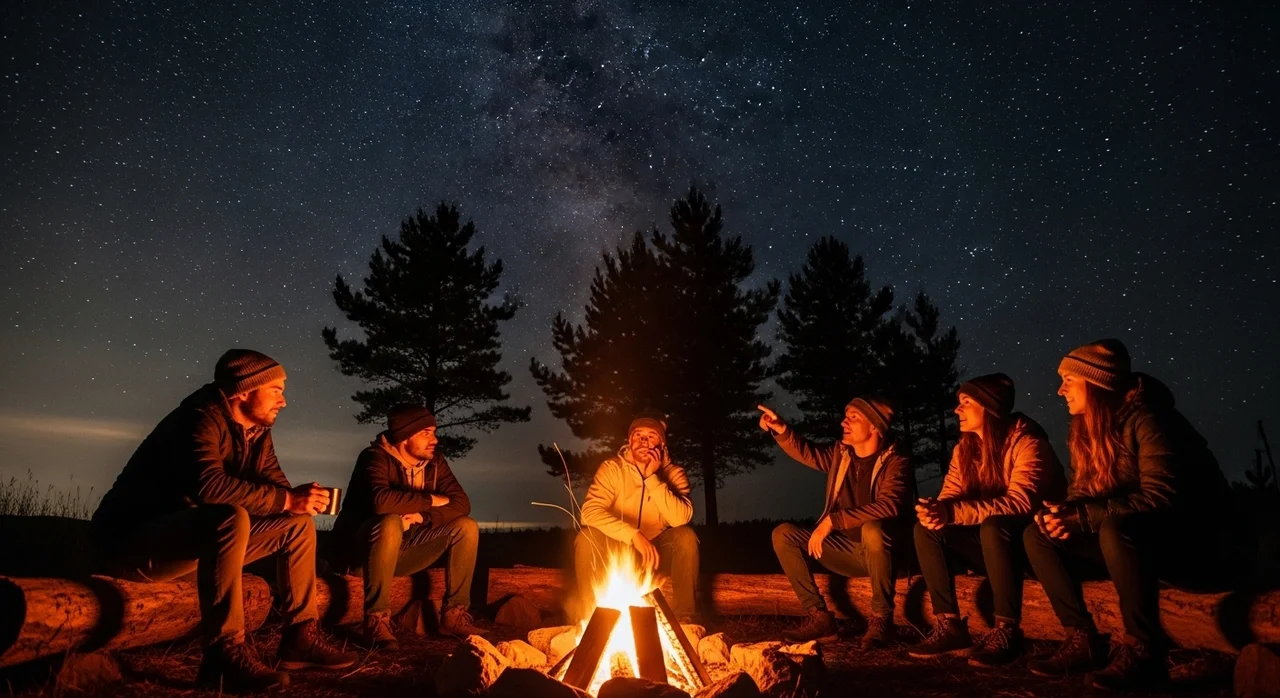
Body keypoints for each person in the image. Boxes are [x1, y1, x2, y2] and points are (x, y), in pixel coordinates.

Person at [90, 349, 356, 691]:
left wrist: (297, 502)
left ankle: (300, 636)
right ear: (244, 390)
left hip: (190, 545)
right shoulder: (199, 417)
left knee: (297, 524)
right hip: (133, 546)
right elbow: (209, 486)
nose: (284, 402)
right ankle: (222, 654)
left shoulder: (255, 430)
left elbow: (275, 487)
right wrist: (288, 499)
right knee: (229, 517)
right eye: (276, 390)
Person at [1024, 339, 1249, 690]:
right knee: (1039, 535)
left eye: (1068, 380)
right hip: (1134, 544)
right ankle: (1082, 638)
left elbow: (1161, 498)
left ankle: (1145, 652)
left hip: (1201, 546)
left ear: (1095, 382)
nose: (1059, 390)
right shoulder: (1087, 429)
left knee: (1115, 528)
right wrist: (1062, 513)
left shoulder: (1151, 419)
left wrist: (1083, 518)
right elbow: (1085, 493)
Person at [907, 373, 1065, 665]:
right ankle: (949, 625)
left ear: (990, 408)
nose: (957, 410)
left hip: (1028, 547)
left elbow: (1021, 504)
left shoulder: (1029, 444)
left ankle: (1006, 629)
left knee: (995, 525)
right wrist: (934, 510)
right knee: (926, 530)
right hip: (986, 546)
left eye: (966, 402)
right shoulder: (964, 449)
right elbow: (951, 496)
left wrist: (952, 512)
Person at [760, 397, 915, 647]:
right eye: (846, 415)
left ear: (875, 427)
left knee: (873, 529)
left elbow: (890, 505)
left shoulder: (897, 461)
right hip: (849, 552)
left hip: (887, 555)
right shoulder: (840, 455)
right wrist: (782, 429)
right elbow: (807, 452)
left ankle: (881, 620)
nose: (844, 421)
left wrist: (834, 521)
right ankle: (820, 618)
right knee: (784, 534)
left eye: (854, 417)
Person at [331, 404, 482, 649]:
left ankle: (453, 615)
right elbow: (381, 502)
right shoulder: (374, 457)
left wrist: (423, 516)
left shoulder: (435, 463)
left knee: (466, 526)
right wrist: (431, 500)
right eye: (426, 433)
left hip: (406, 551)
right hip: (361, 556)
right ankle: (376, 620)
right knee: (390, 521)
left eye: (434, 432)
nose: (434, 439)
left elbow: (461, 503)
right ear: (404, 437)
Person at [575, 412, 698, 621]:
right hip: (618, 547)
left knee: (685, 537)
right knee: (585, 539)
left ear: (662, 444)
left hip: (657, 554)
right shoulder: (612, 469)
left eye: (651, 436)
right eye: (638, 435)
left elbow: (680, 518)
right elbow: (589, 512)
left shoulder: (674, 474)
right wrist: (633, 535)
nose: (643, 440)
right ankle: (589, 617)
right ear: (630, 441)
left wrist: (652, 478)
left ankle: (685, 618)